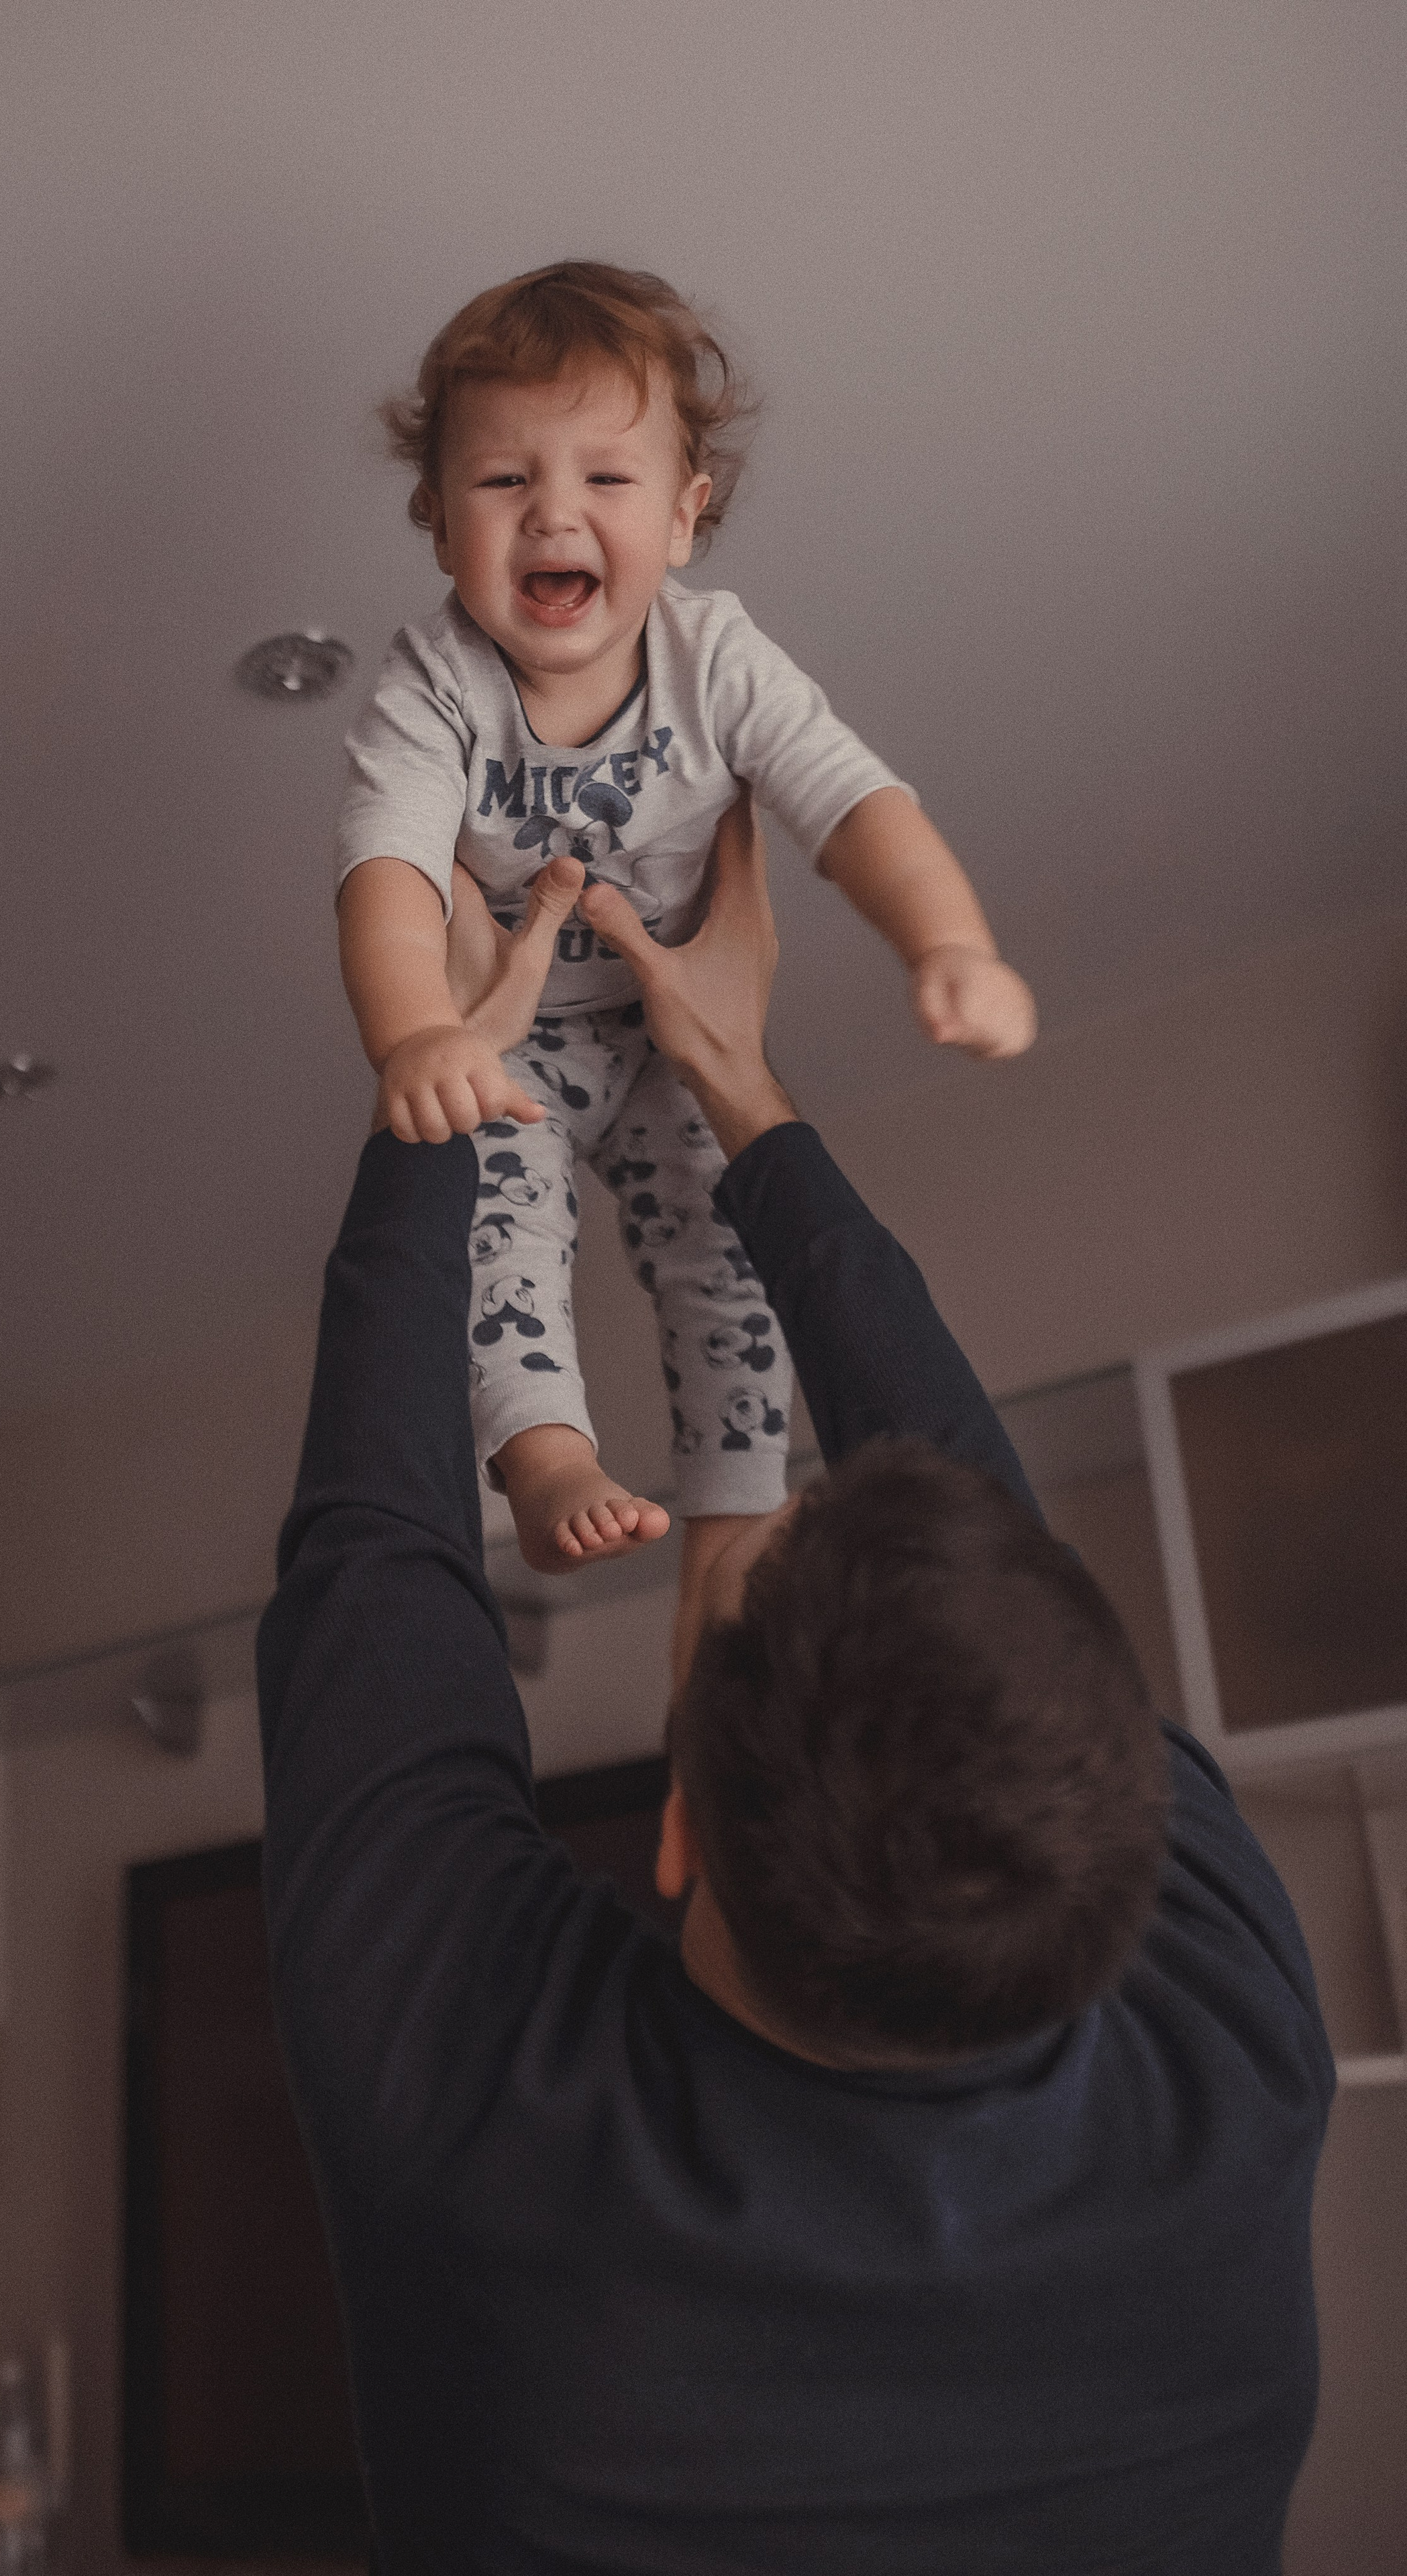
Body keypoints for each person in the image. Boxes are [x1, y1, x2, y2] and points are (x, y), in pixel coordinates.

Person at [257, 800, 1333, 2576]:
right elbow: (369, 1570)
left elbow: (378, 1557)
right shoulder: (1224, 2064)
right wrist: (723, 1093)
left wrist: (465, 1059)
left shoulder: (480, 2109)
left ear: (677, 1830)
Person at [332, 261, 1037, 1686]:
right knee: (497, 1222)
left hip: (669, 1041)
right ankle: (544, 1460)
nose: (554, 513)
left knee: (732, 1258)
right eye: (503, 481)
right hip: (516, 1042)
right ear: (438, 523)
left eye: (606, 476)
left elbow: (853, 804)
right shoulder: (432, 685)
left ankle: (730, 1507)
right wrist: (417, 1035)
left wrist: (947, 941)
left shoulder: (715, 658)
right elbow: (389, 876)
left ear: (682, 514)